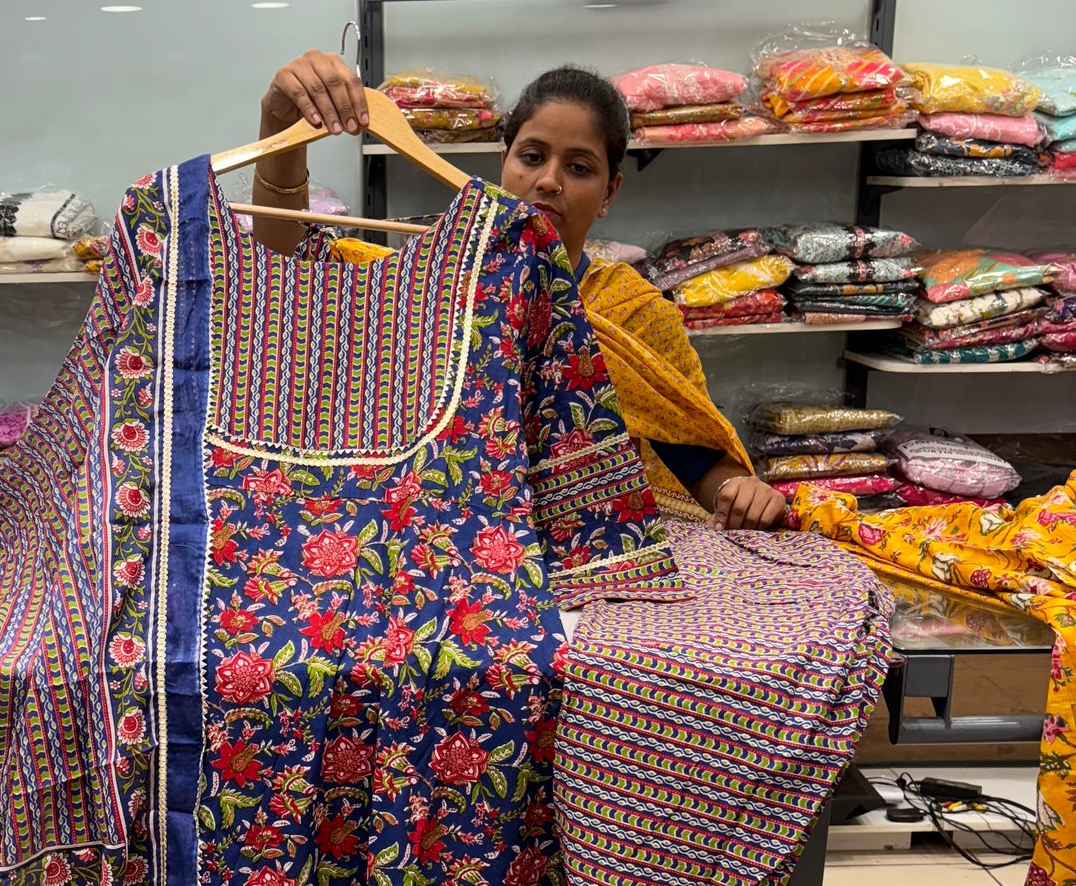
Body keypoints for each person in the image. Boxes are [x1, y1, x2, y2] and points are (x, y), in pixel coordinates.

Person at [251, 51, 787, 531]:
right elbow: (286, 266)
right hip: (439, 546)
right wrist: (279, 128)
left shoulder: (633, 315)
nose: (549, 180)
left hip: (590, 554)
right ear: (502, 164)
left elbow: (695, 460)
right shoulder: (425, 277)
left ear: (609, 193)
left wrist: (736, 491)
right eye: (531, 157)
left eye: (579, 168)